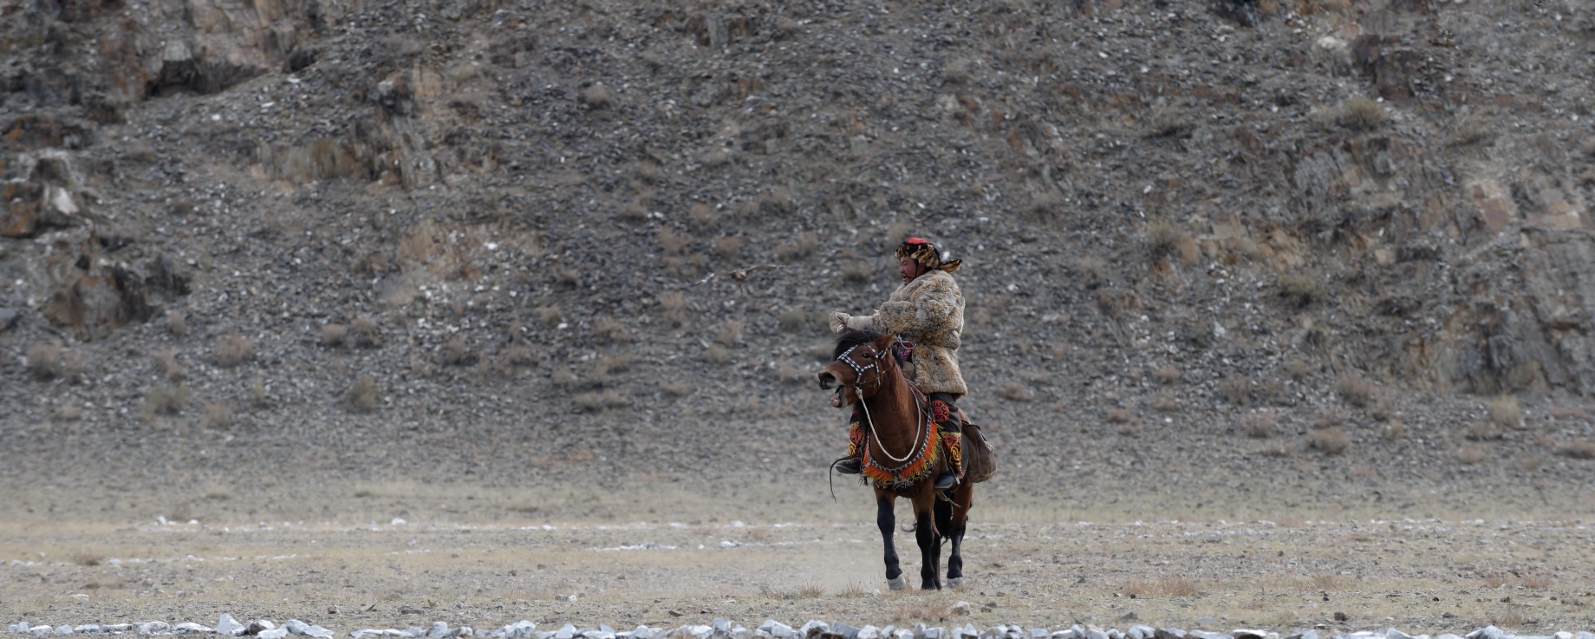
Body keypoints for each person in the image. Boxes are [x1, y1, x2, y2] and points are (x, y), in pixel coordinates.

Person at [829, 237, 966, 490]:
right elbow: (882, 323)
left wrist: (890, 312)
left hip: (932, 363)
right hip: (899, 364)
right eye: (900, 264)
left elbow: (927, 317)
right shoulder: (904, 291)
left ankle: (951, 466)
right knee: (863, 398)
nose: (901, 269)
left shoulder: (942, 284)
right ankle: (858, 455)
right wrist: (850, 322)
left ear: (921, 263)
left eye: (905, 263)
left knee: (942, 408)